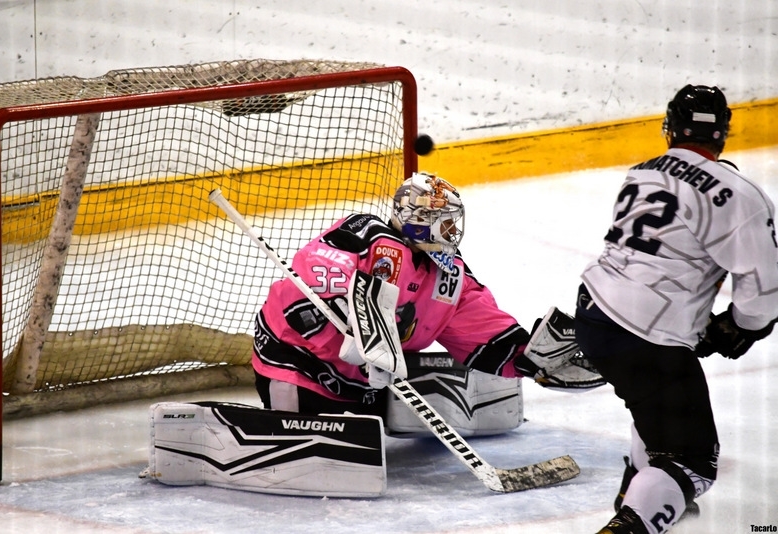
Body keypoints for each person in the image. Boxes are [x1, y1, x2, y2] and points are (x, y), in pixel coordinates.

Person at [575, 85, 778, 534]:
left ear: (670, 129)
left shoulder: (641, 173)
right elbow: (764, 290)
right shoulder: (741, 194)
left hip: (593, 310)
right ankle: (637, 518)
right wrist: (740, 326)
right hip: (649, 334)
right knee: (693, 462)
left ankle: (638, 490)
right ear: (722, 134)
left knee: (653, 399)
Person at [252, 171, 602, 429]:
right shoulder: (366, 234)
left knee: (364, 433)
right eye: (444, 223)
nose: (452, 231)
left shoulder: (448, 273)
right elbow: (316, 267)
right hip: (299, 363)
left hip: (365, 383)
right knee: (305, 440)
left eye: (453, 223)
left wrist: (525, 357)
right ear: (418, 220)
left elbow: (474, 319)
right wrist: (348, 306)